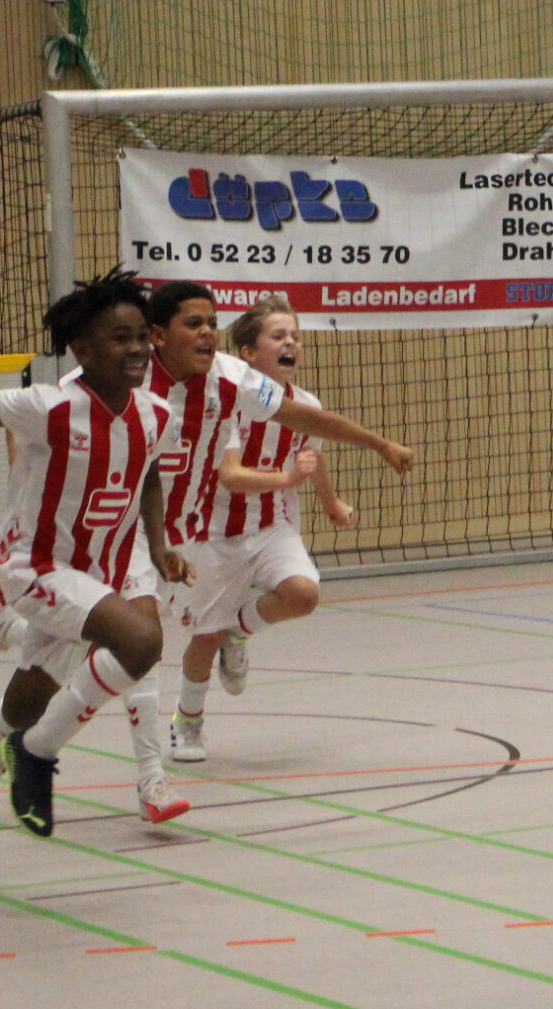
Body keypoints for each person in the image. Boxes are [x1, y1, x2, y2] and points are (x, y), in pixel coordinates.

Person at [0, 271, 185, 884]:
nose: (136, 349)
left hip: (96, 571)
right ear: (82, 349)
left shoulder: (156, 413)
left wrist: (158, 541)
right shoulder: (49, 407)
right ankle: (35, 754)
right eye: (119, 339)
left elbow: (149, 474)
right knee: (142, 641)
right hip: (35, 566)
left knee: (26, 702)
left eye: (142, 337)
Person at [144, 287, 410, 761]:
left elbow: (312, 452)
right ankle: (188, 721)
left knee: (303, 594)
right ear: (249, 352)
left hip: (273, 525)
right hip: (216, 529)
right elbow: (229, 475)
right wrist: (286, 478)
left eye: (295, 336)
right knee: (202, 637)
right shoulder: (230, 401)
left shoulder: (300, 401)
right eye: (278, 335)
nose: (291, 343)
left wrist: (333, 501)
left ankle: (239, 631)